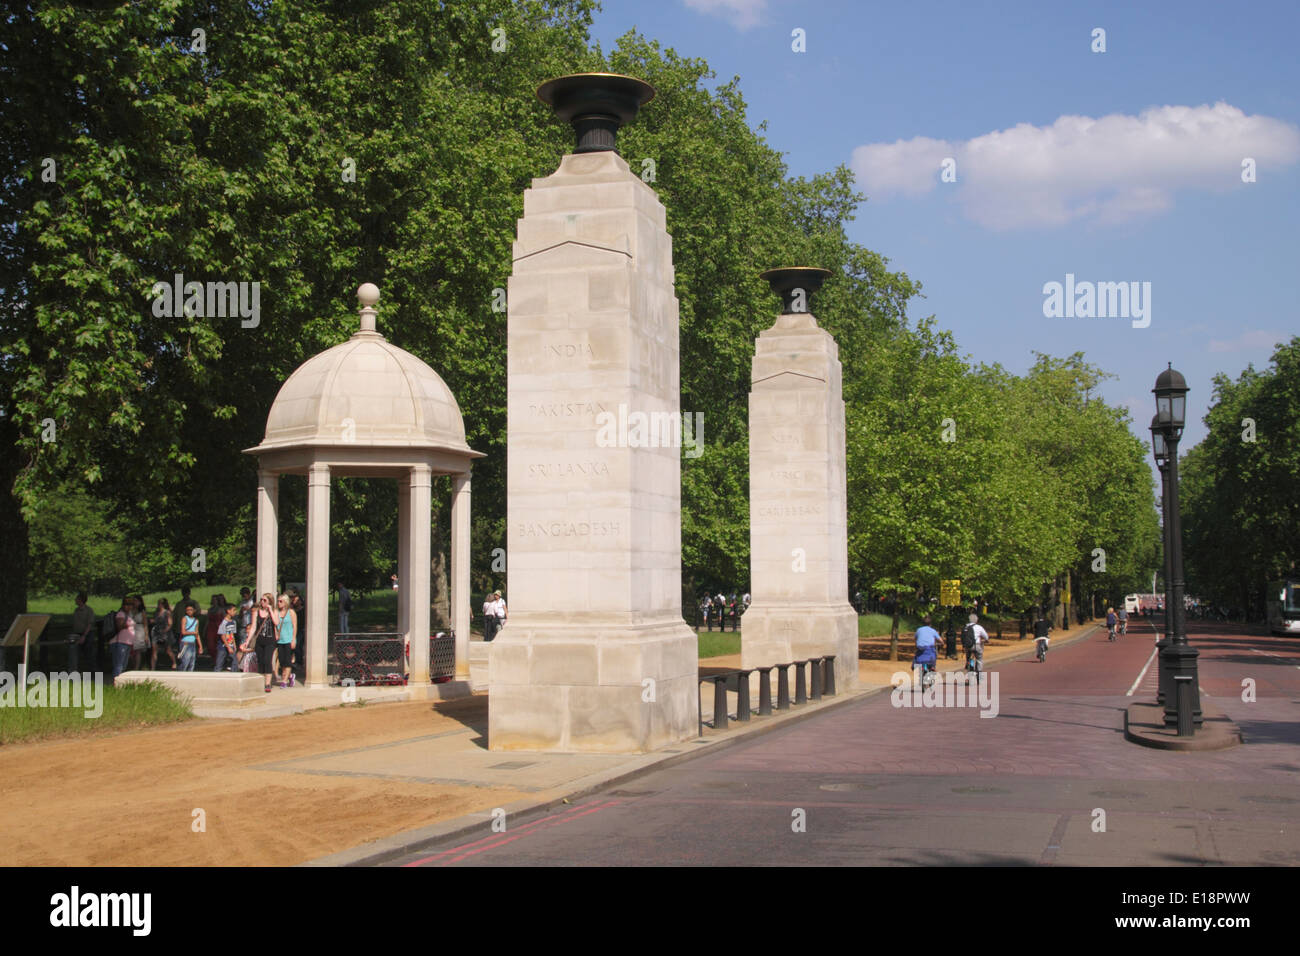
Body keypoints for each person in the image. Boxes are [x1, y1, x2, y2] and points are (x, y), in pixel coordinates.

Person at [245, 594, 278, 691]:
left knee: (267, 660)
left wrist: (270, 610)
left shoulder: (274, 611)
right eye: (261, 600)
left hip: (270, 640)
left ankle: (268, 683)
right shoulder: (256, 612)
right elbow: (254, 627)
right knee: (260, 661)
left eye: (265, 600)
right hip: (259, 640)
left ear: (269, 602)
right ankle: (261, 681)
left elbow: (276, 622)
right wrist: (248, 641)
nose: (262, 602)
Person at [274, 593, 297, 688]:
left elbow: (295, 626)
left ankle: (284, 681)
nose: (279, 603)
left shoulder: (291, 612)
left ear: (285, 602)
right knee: (282, 661)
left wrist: (293, 639)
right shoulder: (277, 612)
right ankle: (290, 676)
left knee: (288, 661)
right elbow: (275, 625)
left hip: (288, 639)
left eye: (281, 601)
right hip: (280, 640)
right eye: (278, 601)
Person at [69, 592, 95, 673]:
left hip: (86, 634)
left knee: (88, 654)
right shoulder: (76, 610)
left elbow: (89, 624)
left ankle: (93, 672)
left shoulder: (88, 610)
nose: (75, 600)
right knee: (75, 654)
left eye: (77, 598)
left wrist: (84, 636)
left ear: (81, 600)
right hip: (77, 634)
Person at [914, 615, 941, 685]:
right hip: (929, 650)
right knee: (933, 657)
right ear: (930, 623)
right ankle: (932, 668)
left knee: (917, 659)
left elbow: (915, 638)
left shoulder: (918, 630)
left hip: (920, 650)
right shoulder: (933, 631)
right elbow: (940, 640)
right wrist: (942, 643)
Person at [110, 608, 135, 682]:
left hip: (128, 642)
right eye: (127, 605)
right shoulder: (121, 614)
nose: (129, 606)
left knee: (123, 665)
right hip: (120, 642)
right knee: (119, 665)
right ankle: (115, 682)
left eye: (130, 605)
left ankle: (119, 681)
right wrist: (126, 624)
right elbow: (119, 626)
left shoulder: (129, 615)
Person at [150, 598, 176, 670]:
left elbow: (170, 623)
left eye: (160, 604)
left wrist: (165, 630)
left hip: (165, 633)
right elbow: (155, 620)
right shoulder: (156, 612)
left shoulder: (167, 612)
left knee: (168, 650)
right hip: (156, 632)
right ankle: (153, 667)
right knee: (154, 650)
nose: (158, 605)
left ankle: (174, 662)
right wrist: (153, 621)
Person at [962, 613, 989, 679]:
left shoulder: (965, 627)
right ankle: (979, 673)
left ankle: (969, 667)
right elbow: (986, 636)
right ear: (976, 620)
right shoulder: (979, 627)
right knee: (979, 659)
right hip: (976, 646)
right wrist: (986, 640)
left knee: (969, 658)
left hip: (968, 646)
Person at [178, 602, 202, 671]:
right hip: (185, 642)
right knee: (185, 661)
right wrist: (193, 632)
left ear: (194, 610)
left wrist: (200, 646)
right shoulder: (185, 619)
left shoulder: (196, 620)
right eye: (187, 610)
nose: (189, 611)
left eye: (191, 610)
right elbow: (183, 632)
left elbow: (197, 634)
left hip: (193, 643)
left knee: (192, 663)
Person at [129, 596, 150, 671]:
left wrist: (146, 635)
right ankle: (132, 664)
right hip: (130, 630)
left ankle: (136, 667)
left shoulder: (142, 612)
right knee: (130, 650)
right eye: (133, 600)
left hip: (139, 630)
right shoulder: (130, 610)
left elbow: (145, 624)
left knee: (138, 650)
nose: (134, 602)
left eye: (136, 601)